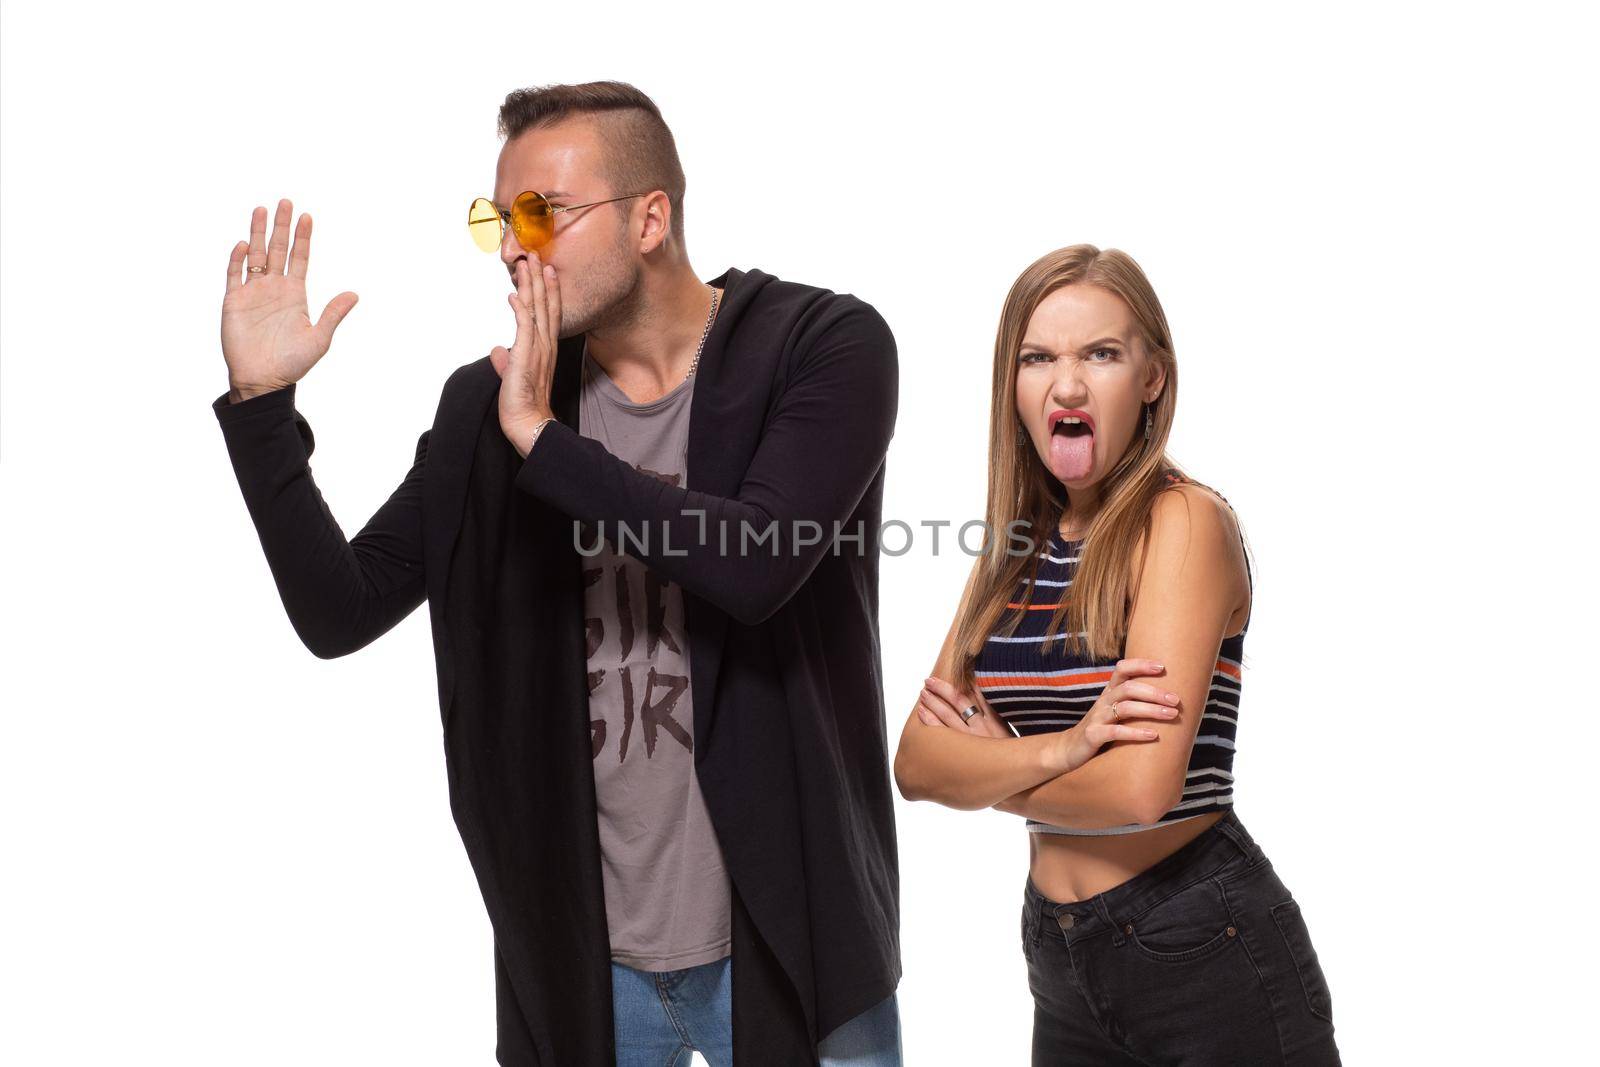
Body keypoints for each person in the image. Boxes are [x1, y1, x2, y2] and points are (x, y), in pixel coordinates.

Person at [213, 80, 902, 1067]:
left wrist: (542, 436)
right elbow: (342, 607)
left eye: (545, 213)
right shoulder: (486, 411)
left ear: (650, 217)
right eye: (500, 216)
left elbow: (755, 563)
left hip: (796, 945)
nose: (511, 245)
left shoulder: (820, 348)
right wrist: (261, 405)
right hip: (585, 966)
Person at [892, 244, 1341, 1064]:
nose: (1067, 383)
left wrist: (993, 766)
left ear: (1152, 378)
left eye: (1100, 353)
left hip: (1202, 942)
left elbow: (1141, 787)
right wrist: (1067, 745)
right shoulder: (1014, 548)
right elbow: (917, 764)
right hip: (1058, 956)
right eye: (1038, 358)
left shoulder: (1183, 524)